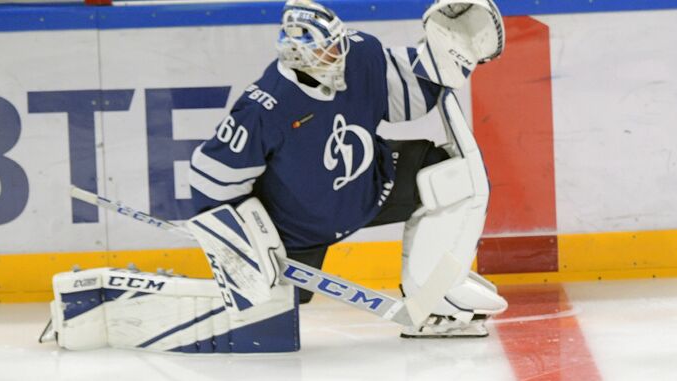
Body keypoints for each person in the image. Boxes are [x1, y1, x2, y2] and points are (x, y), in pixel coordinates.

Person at [187, 0, 508, 337]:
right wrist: (242, 252)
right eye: (327, 53)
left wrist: (450, 53)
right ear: (299, 57)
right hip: (300, 230)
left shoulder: (359, 54)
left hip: (371, 184)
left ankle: (435, 301)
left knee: (450, 178)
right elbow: (209, 179)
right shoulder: (264, 107)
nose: (338, 57)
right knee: (270, 319)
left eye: (338, 44)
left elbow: (409, 95)